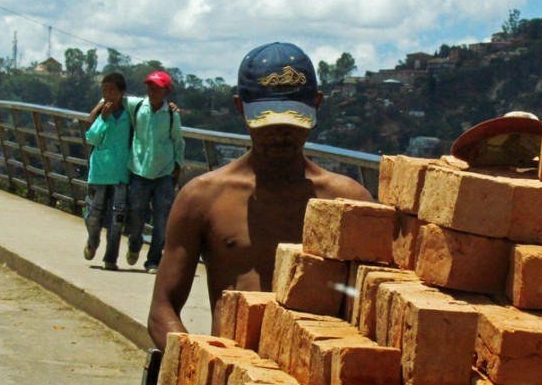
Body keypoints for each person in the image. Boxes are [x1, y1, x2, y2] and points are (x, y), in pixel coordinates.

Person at [147, 41, 373, 350]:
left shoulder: (349, 202)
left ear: (317, 104)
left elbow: (372, 308)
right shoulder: (203, 197)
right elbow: (162, 309)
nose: (280, 131)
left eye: (293, 120)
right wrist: (194, 361)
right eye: (266, 121)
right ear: (240, 107)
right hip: (235, 375)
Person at [123, 71, 186, 274]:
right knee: (136, 214)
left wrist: (177, 168)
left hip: (164, 172)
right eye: (149, 87)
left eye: (156, 88)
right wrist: (97, 112)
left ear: (166, 91)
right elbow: (111, 96)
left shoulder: (171, 114)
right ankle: (134, 244)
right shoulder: (138, 106)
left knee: (161, 220)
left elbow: (178, 142)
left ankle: (153, 261)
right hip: (139, 169)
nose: (151, 92)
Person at [83, 72, 131, 271]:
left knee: (117, 218)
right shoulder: (101, 113)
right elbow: (91, 138)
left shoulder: (130, 113)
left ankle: (110, 258)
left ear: (122, 92)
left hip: (121, 172)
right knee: (94, 213)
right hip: (100, 172)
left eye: (112, 90)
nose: (108, 94)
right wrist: (102, 119)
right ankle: (93, 240)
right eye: (104, 91)